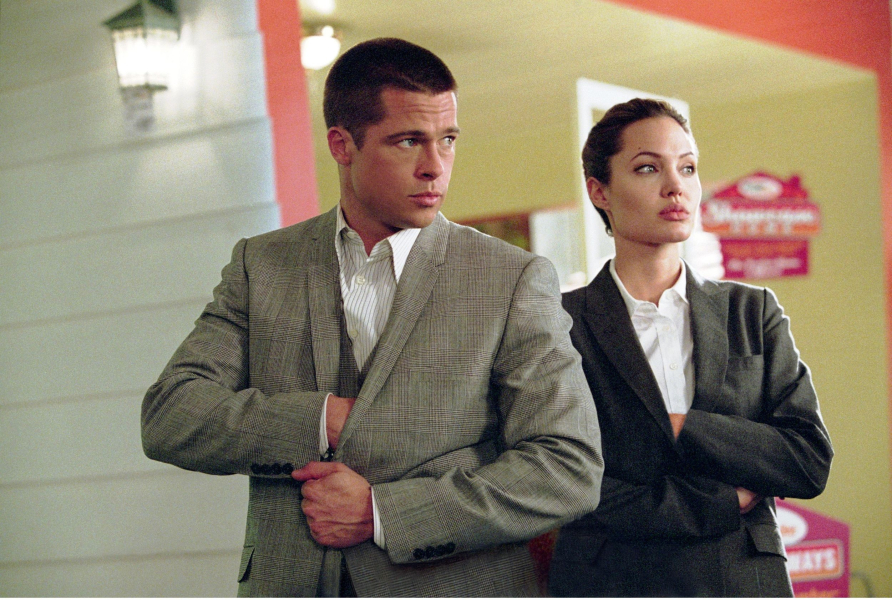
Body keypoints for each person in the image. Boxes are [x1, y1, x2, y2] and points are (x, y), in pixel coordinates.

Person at [141, 38, 603, 597]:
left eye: (448, 140)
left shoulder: (511, 277)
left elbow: (567, 468)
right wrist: (321, 421)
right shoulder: (261, 264)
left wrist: (384, 513)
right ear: (342, 144)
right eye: (408, 141)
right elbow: (171, 415)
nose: (435, 167)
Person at [547, 98, 833, 597]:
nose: (675, 186)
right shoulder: (558, 323)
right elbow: (565, 484)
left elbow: (807, 460)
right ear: (600, 190)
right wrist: (722, 499)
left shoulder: (753, 311)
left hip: (743, 581)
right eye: (647, 168)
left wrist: (682, 425)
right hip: (613, 581)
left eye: (687, 167)